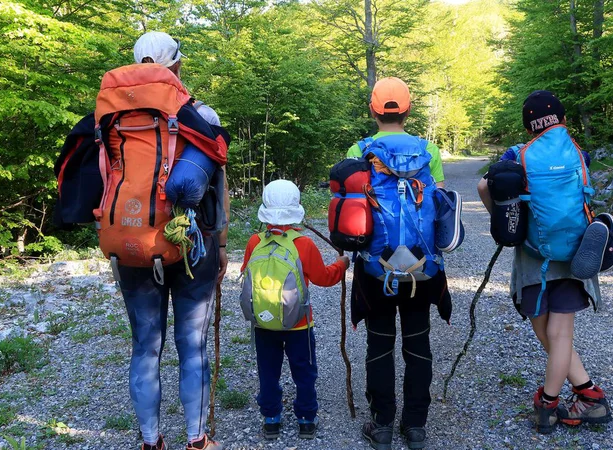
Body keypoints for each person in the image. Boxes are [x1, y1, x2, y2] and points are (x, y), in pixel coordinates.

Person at [477, 91, 613, 434]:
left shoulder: (518, 154)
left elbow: (483, 185)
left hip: (533, 256)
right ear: (562, 120)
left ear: (529, 125)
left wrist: (504, 221)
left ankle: (548, 404)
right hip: (576, 254)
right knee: (560, 333)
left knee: (544, 331)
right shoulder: (578, 151)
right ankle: (588, 398)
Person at [120, 31, 229, 450]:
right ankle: (196, 440)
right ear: (178, 67)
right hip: (192, 244)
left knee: (145, 347)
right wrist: (220, 244)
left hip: (132, 244)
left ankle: (150, 441)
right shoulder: (202, 115)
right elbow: (217, 186)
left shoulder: (113, 118)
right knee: (192, 346)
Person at [347, 77, 452, 450]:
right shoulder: (430, 150)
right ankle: (416, 426)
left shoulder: (360, 149)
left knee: (379, 343)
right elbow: (439, 209)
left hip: (376, 267)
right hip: (423, 267)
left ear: (373, 110)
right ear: (407, 110)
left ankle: (383, 424)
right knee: (417, 341)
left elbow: (350, 213)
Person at [240, 180, 349, 440]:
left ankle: (271, 419)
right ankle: (306, 420)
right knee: (304, 371)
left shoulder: (255, 241)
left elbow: (247, 273)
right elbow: (323, 278)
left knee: (268, 371)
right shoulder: (303, 244)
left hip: (264, 324)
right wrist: (342, 264)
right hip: (299, 323)